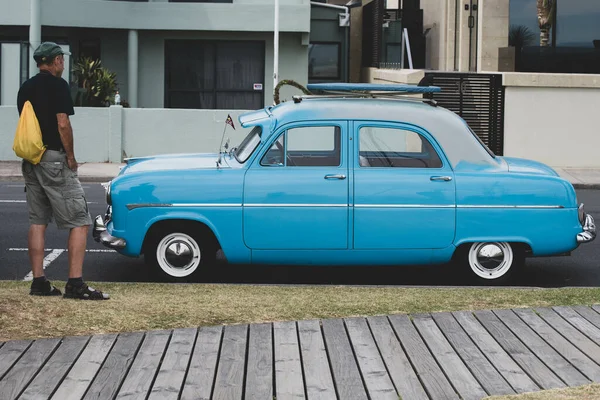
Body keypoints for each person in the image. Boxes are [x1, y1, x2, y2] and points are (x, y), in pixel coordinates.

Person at [17, 42, 109, 300]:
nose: (63, 63)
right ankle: (75, 284)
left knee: (37, 221)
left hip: (32, 159)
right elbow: (62, 123)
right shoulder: (58, 86)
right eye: (62, 59)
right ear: (56, 60)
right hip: (55, 159)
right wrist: (71, 157)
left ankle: (39, 282)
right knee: (79, 220)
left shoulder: (25, 88)